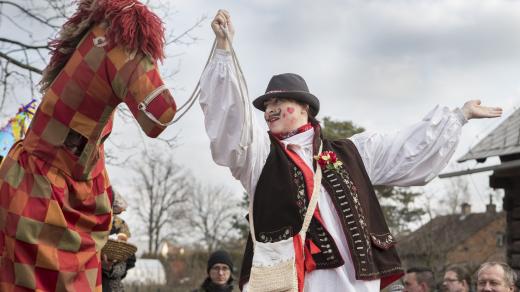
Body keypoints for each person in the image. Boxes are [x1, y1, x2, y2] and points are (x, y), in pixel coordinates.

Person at [200, 9, 503, 292]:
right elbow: (233, 124)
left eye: (279, 103)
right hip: (292, 281)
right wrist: (225, 52)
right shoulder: (261, 156)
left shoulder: (350, 153)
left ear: (305, 107)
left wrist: (457, 117)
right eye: (267, 106)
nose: (270, 111)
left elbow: (403, 149)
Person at [0, 0, 177, 290]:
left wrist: (105, 192)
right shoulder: (109, 44)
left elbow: (88, 149)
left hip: (68, 197)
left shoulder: (95, 122)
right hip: (38, 194)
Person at [102, 192, 136, 292]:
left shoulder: (120, 224)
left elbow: (123, 265)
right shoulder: (89, 222)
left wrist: (110, 268)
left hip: (112, 287)